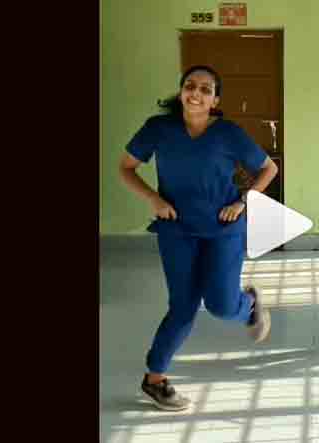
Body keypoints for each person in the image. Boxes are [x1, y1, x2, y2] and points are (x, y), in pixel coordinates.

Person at [119, 65, 279, 410]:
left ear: (215, 100)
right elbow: (126, 167)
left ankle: (249, 306)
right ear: (181, 92)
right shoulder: (158, 129)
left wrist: (242, 202)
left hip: (223, 228)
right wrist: (153, 198)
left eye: (206, 89)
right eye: (190, 86)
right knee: (183, 306)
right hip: (176, 229)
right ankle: (155, 379)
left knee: (222, 305)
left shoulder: (228, 133)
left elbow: (269, 168)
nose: (196, 93)